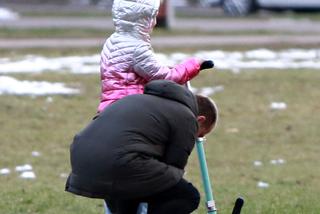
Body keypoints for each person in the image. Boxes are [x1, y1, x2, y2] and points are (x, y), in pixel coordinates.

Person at [65, 80, 219, 214]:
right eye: (199, 134)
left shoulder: (137, 99)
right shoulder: (186, 116)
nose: (195, 138)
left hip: (83, 161)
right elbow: (174, 166)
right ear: (199, 120)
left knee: (135, 191)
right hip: (120, 164)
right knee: (187, 195)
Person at [97, 0, 213, 113]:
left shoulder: (112, 41)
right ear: (141, 19)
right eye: (152, 17)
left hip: (109, 107)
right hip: (131, 108)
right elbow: (167, 78)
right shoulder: (137, 48)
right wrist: (195, 64)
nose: (155, 22)